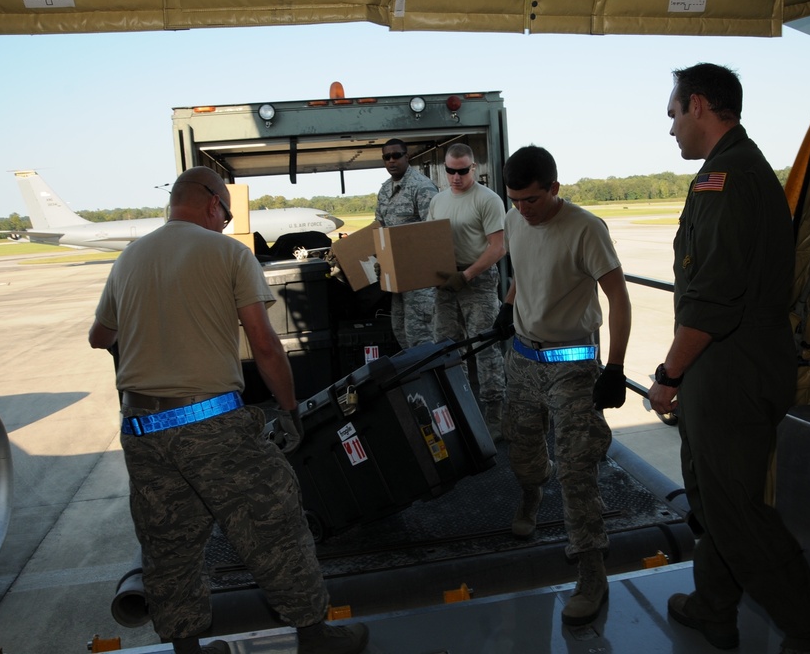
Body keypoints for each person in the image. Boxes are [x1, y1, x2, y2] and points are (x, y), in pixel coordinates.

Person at [88, 166, 368, 654]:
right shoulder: (229, 253)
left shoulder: (129, 258)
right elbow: (265, 345)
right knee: (274, 525)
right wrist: (289, 408)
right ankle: (315, 635)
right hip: (211, 425)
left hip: (142, 430)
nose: (226, 221)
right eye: (227, 212)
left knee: (169, 546)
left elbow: (100, 337)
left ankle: (188, 650)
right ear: (213, 203)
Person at [648, 63, 810, 654]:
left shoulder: (727, 177)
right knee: (714, 496)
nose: (671, 130)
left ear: (699, 106)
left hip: (730, 367)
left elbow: (712, 302)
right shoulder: (735, 168)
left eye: (674, 115)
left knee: (736, 511)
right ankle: (715, 605)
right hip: (737, 363)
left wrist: (668, 375)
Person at [496, 145, 631, 626]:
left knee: (576, 466)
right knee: (522, 446)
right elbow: (520, 270)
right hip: (524, 358)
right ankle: (532, 489)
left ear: (554, 188)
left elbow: (618, 296)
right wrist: (507, 307)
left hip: (572, 361)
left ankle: (592, 570)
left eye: (531, 199)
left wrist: (614, 367)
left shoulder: (585, 228)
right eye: (514, 200)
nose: (522, 209)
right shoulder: (515, 220)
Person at [428, 143, 507, 439]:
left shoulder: (487, 200)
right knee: (446, 347)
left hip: (479, 280)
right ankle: (459, 409)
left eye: (462, 171)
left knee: (484, 347)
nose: (456, 177)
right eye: (450, 171)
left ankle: (495, 415)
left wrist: (468, 274)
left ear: (472, 168)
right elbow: (429, 241)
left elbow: (498, 247)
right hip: (447, 281)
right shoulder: (438, 201)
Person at [375, 138, 439, 349]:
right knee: (401, 331)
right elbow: (379, 229)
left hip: (420, 280)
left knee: (421, 337)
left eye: (396, 156)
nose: (391, 161)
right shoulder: (385, 190)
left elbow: (432, 234)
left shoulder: (422, 187)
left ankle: (433, 381)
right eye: (387, 157)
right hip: (397, 279)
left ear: (407, 157)